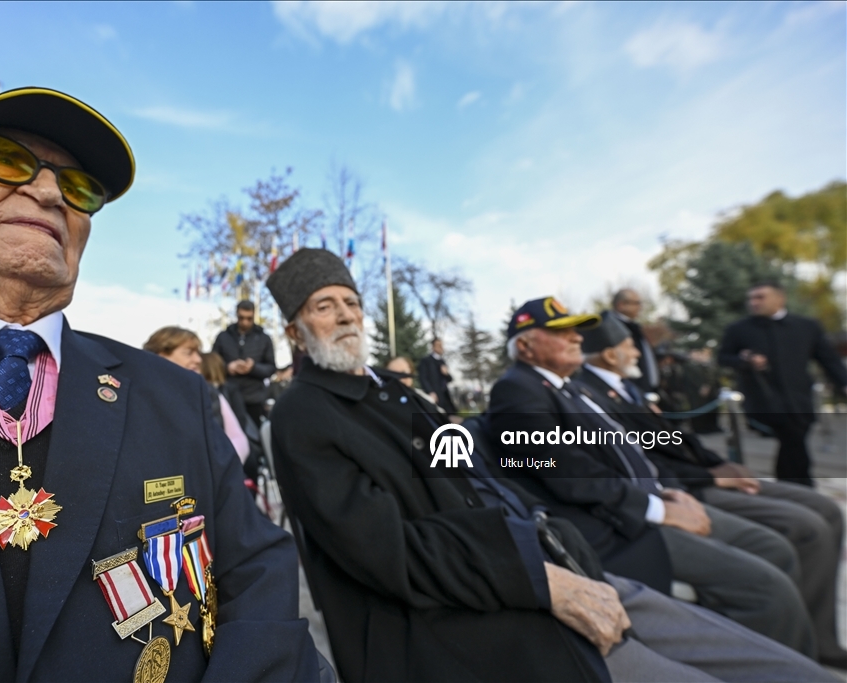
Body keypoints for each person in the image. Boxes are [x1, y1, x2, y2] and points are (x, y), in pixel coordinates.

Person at [0, 88, 318, 682]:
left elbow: (259, 578)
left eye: (78, 187)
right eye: (3, 158)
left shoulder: (176, 397)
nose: (50, 192)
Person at [265, 250, 833, 683]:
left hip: (557, 553)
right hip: (499, 602)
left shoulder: (396, 392)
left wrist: (698, 473)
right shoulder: (305, 414)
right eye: (324, 306)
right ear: (294, 330)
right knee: (760, 589)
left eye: (351, 302)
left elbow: (475, 482)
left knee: (781, 663)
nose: (346, 315)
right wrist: (542, 571)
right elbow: (390, 548)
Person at [484, 298, 815, 656]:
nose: (576, 337)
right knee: (765, 589)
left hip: (650, 502)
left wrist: (665, 492)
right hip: (619, 527)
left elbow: (624, 453)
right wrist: (655, 508)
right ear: (525, 345)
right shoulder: (517, 389)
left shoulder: (567, 388)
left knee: (772, 553)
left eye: (575, 330)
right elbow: (561, 468)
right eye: (560, 332)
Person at [577, 312, 847, 669]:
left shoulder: (625, 389)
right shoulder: (589, 394)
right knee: (799, 532)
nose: (640, 353)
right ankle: (792, 658)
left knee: (824, 510)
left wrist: (719, 464)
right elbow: (638, 461)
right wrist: (707, 477)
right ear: (611, 354)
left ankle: (817, 639)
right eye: (631, 346)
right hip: (681, 489)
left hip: (689, 479)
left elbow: (671, 440)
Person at [718, 281, 847, 486]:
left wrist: (844, 383)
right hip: (762, 399)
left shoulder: (807, 326)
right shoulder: (739, 329)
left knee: (793, 440)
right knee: (792, 436)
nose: (754, 302)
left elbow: (829, 360)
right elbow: (723, 358)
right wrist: (745, 360)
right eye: (751, 298)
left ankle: (790, 485)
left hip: (799, 398)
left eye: (760, 297)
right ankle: (801, 485)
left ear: (779, 299)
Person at [145, 328, 251, 465]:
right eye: (188, 353)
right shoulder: (139, 396)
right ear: (161, 356)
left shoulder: (208, 392)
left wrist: (221, 466)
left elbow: (238, 439)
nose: (198, 359)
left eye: (198, 353)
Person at [212, 300, 276, 427]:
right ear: (236, 315)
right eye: (241, 318)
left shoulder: (264, 338)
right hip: (228, 396)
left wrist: (253, 368)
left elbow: (271, 368)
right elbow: (212, 364)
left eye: (249, 318)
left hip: (254, 398)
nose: (245, 322)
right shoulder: (223, 337)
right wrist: (228, 368)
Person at [611, 288, 660, 393]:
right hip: (631, 390)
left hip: (645, 389)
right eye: (636, 303)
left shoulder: (634, 327)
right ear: (621, 305)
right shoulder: (615, 329)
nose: (640, 307)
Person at [418, 338, 457, 413]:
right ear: (433, 347)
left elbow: (449, 379)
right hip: (435, 396)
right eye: (438, 345)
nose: (441, 347)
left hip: (445, 397)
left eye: (442, 345)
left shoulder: (442, 361)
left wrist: (446, 374)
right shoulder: (426, 361)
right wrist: (430, 391)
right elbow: (423, 378)